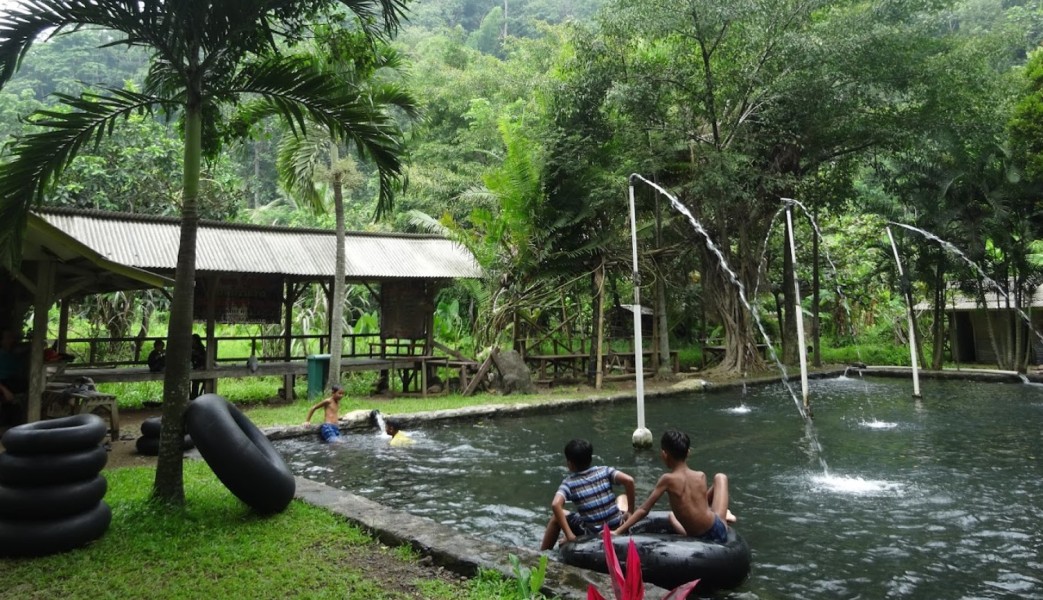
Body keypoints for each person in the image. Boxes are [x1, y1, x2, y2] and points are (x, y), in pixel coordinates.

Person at [613, 429, 734, 544]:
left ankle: (722, 513)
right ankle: (722, 513)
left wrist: (619, 531)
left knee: (673, 515)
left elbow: (644, 509)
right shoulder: (701, 476)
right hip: (718, 530)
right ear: (688, 453)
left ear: (664, 454)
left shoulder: (667, 480)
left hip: (699, 537)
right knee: (720, 477)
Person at [539, 438, 636, 551]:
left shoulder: (569, 483)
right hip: (618, 525)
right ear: (590, 458)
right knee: (622, 497)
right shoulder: (604, 471)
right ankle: (627, 513)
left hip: (594, 534)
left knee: (557, 516)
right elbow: (629, 481)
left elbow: (556, 505)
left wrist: (570, 536)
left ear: (569, 464)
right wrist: (630, 512)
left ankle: (542, 552)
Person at [0, 327, 28, 426]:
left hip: (14, 385)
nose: (11, 340)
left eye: (12, 338)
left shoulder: (14, 355)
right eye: (8, 338)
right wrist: (4, 390)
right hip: (3, 384)